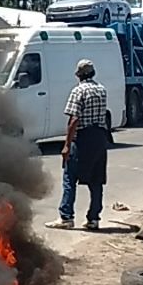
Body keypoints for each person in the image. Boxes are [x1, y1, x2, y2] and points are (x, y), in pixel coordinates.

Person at [46, 58, 110, 231]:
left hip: (83, 138)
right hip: (99, 137)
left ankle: (66, 217)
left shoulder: (78, 91)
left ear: (79, 75)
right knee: (96, 180)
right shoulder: (101, 90)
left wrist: (66, 145)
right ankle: (94, 218)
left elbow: (74, 119)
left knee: (69, 177)